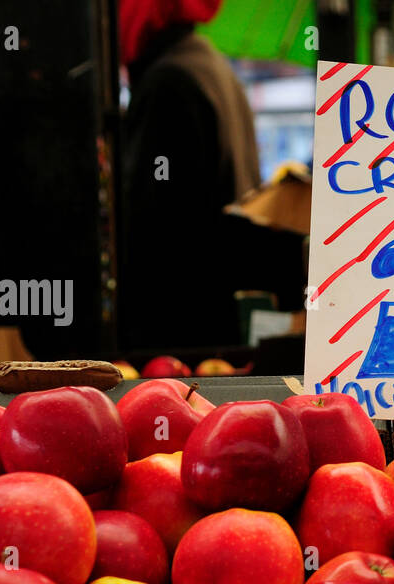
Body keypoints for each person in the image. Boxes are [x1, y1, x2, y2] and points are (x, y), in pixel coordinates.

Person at [118, 0, 284, 350]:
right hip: (217, 325)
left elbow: (152, 228)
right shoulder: (212, 68)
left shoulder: (169, 80)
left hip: (178, 336)